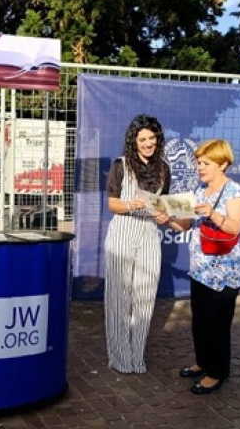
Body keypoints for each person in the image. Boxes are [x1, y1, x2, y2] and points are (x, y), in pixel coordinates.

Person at [156, 139, 240, 394]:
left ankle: (217, 373)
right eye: (198, 162)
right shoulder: (198, 192)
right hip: (200, 271)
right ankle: (203, 362)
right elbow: (185, 226)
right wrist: (168, 219)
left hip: (224, 274)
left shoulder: (234, 191)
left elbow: (235, 227)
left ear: (223, 164)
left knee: (217, 325)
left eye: (205, 163)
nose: (199, 167)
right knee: (200, 322)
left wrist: (213, 214)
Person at [103, 114, 170, 374]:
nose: (148, 143)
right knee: (119, 297)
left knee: (145, 296)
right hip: (123, 228)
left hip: (150, 233)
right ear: (134, 141)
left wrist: (165, 214)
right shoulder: (120, 165)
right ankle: (120, 357)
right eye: (142, 139)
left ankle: (137, 355)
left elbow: (163, 204)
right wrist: (130, 203)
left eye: (152, 138)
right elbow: (112, 204)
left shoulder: (164, 168)